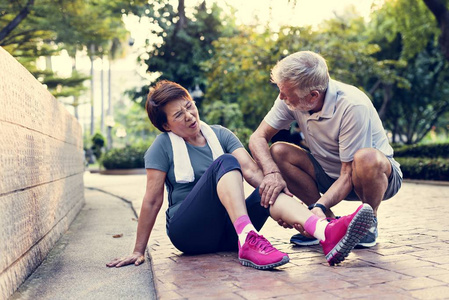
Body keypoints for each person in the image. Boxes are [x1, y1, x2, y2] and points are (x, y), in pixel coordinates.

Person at [106, 80, 374, 270]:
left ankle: (325, 232)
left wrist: (278, 196)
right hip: (189, 233)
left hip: (228, 232)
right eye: (179, 114)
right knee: (224, 162)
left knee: (268, 187)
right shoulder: (162, 146)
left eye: (189, 106)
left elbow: (251, 171)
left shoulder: (220, 134)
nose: (190, 115)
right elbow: (152, 200)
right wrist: (138, 250)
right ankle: (249, 239)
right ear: (166, 125)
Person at [249, 51, 403, 248]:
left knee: (366, 157)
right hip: (328, 175)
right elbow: (257, 137)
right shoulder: (289, 97)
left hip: (370, 177)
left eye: (286, 93)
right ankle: (324, 223)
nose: (281, 97)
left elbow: (347, 174)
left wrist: (319, 205)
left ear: (313, 95)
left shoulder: (352, 105)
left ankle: (368, 221)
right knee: (278, 152)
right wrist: (272, 174)